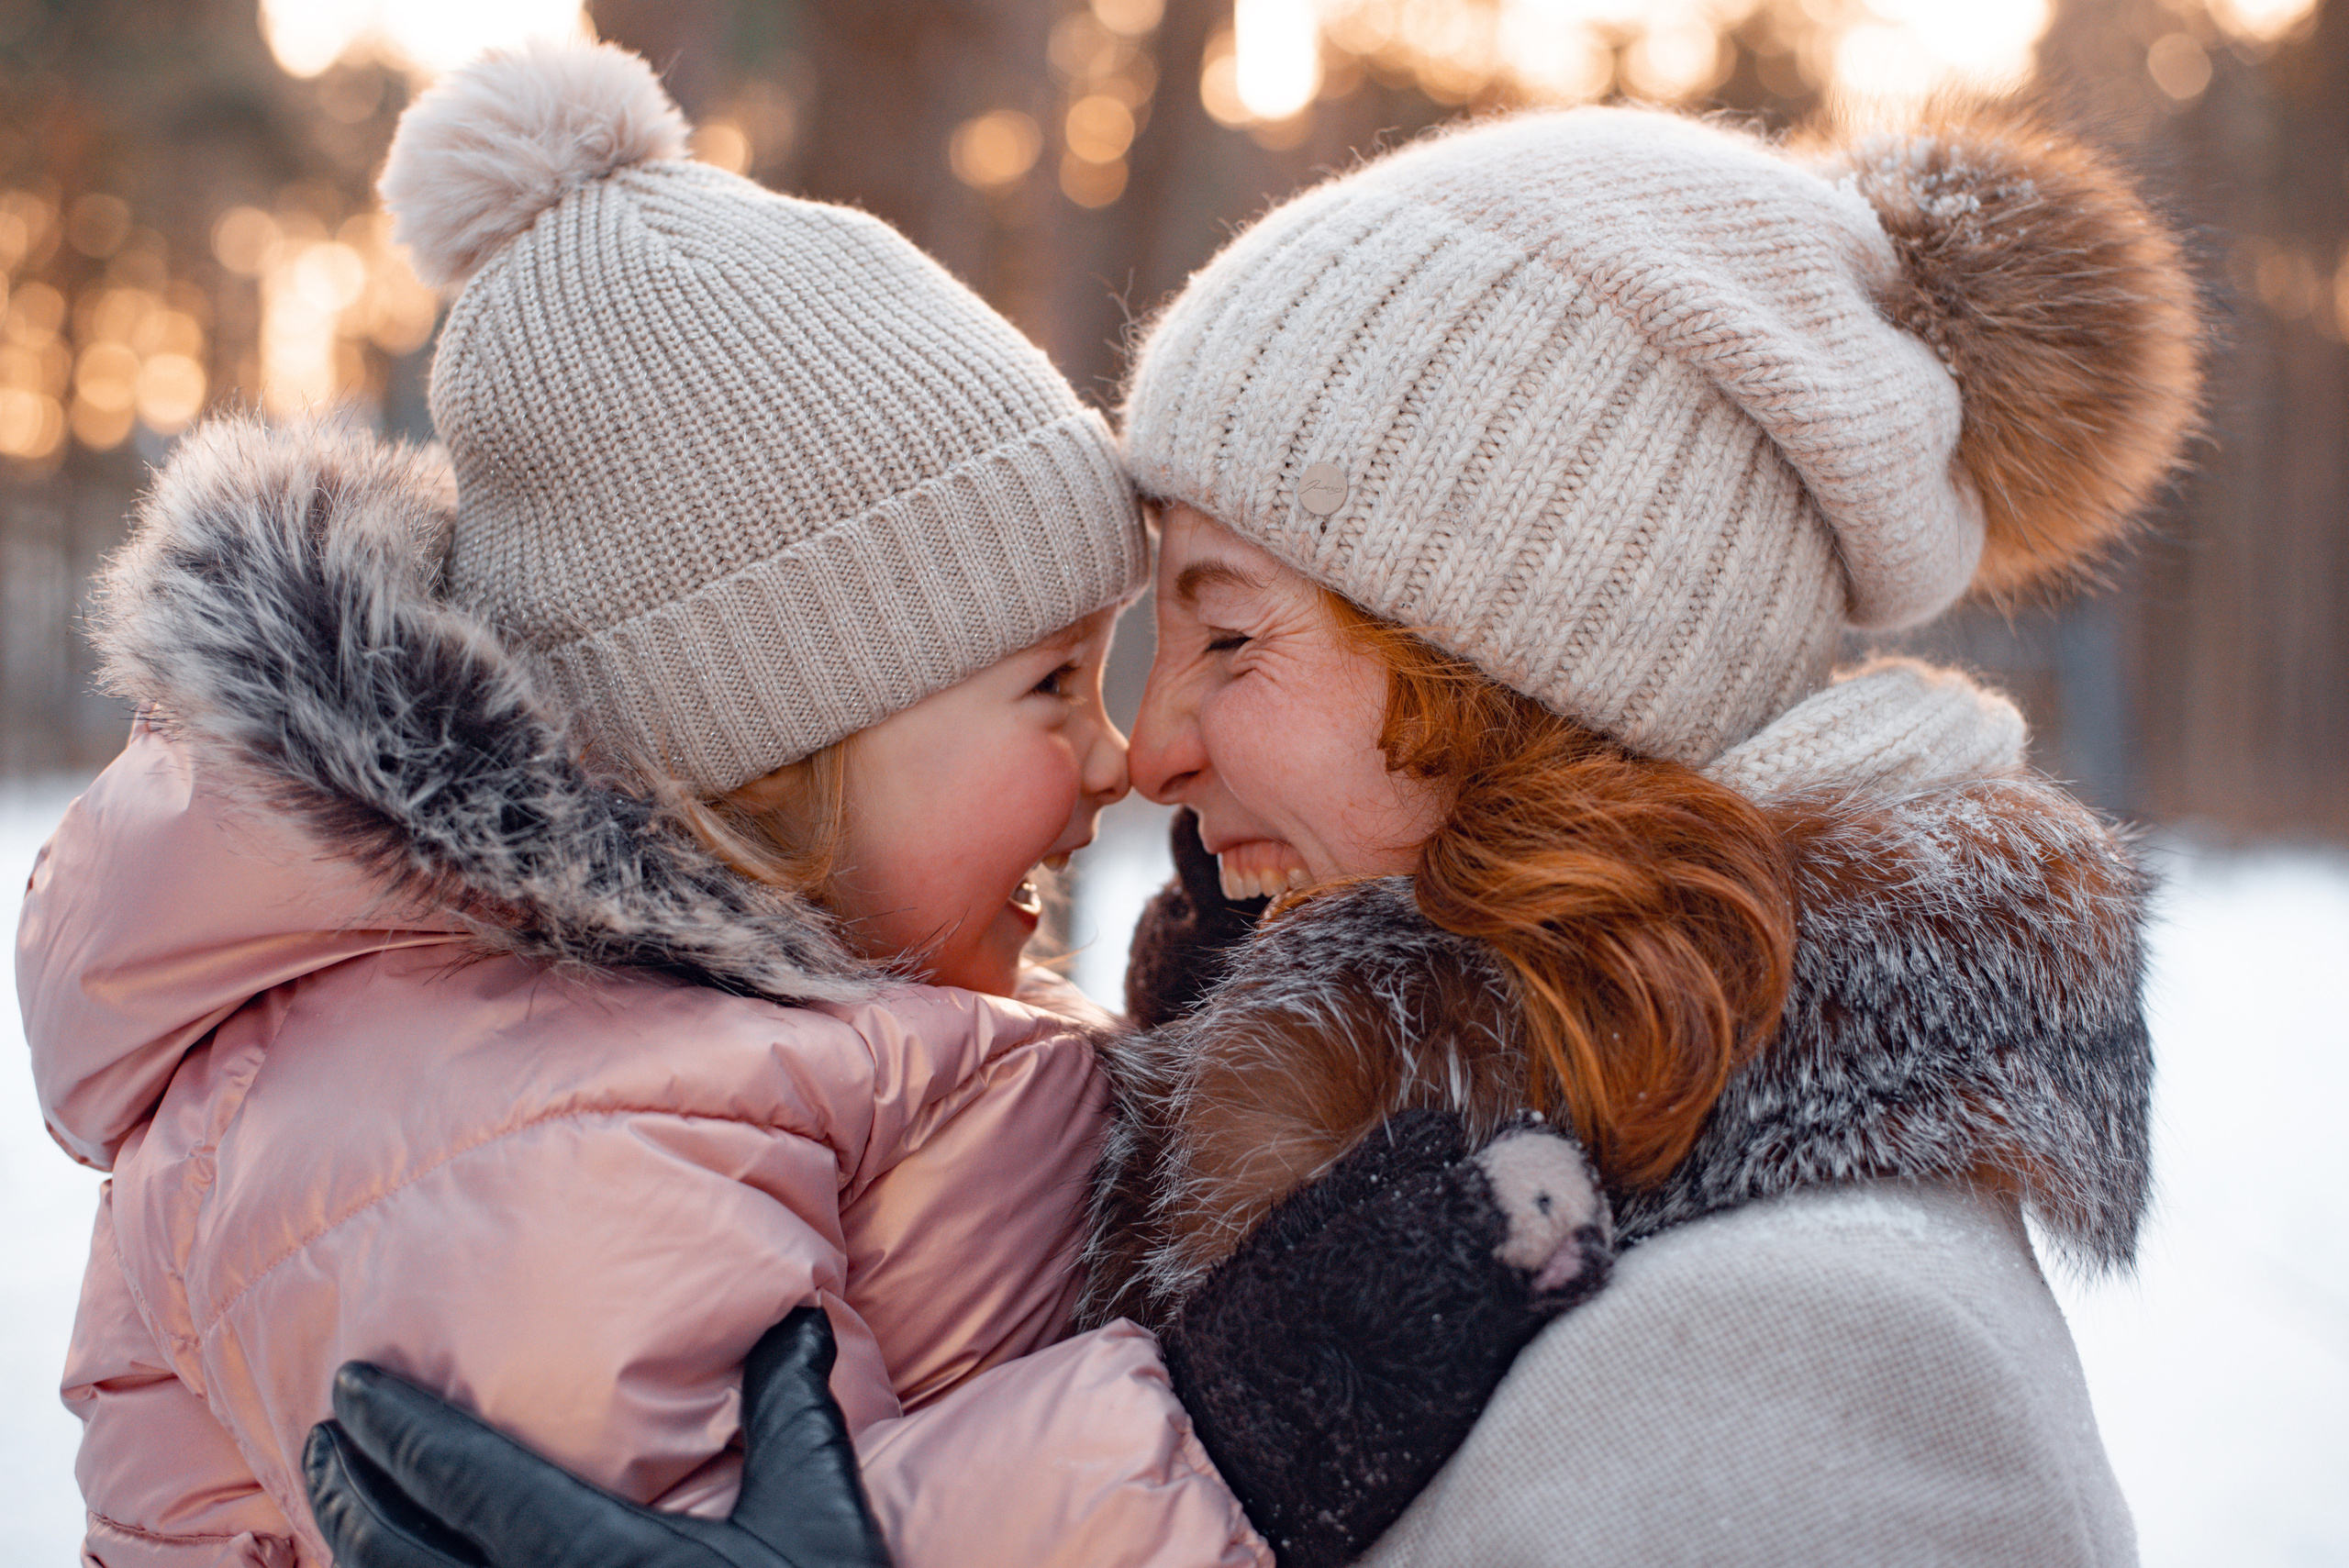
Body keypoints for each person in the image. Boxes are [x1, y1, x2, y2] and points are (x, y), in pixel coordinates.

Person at [298, 89, 2199, 1568]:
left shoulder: (1819, 1348)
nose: (1151, 754)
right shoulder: (1440, 1166)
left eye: (1222, 629)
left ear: (1525, 656)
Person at [17, 39, 1607, 1568]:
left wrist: (1190, 1083)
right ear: (772, 753)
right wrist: (1237, 1425)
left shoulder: (725, 1042)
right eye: (1052, 686)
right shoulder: (530, 1127)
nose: (1121, 757)